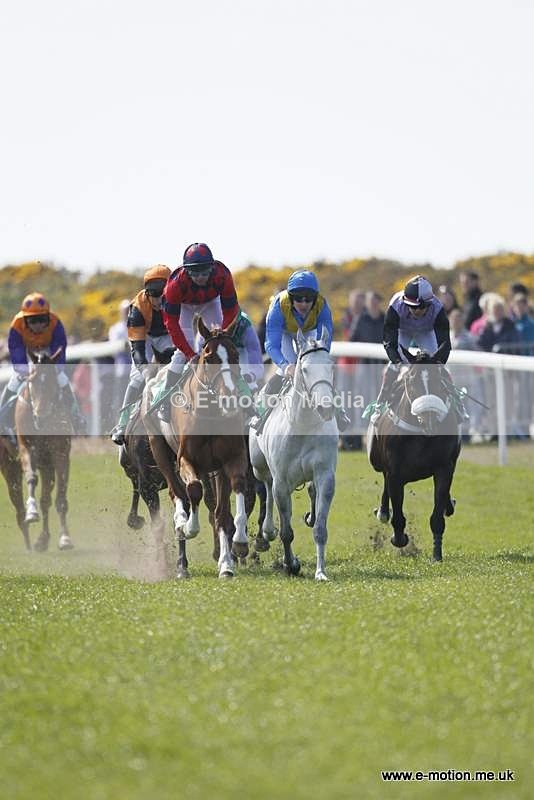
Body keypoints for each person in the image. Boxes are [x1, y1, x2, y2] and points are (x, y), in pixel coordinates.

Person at [251, 270, 349, 431]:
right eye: (298, 299)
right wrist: (285, 366)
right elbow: (271, 345)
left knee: (319, 370)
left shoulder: (322, 306)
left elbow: (325, 341)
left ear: (315, 298)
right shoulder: (278, 306)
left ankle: (339, 411)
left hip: (309, 331)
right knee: (285, 372)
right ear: (290, 298)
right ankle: (259, 413)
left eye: (308, 299)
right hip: (285, 333)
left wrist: (316, 360)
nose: (303, 304)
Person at [153, 243, 240, 421]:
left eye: (204, 272)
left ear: (212, 268)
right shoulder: (175, 284)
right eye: (195, 273)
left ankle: (244, 394)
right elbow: (172, 324)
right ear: (186, 271)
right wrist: (190, 353)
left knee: (221, 347)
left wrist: (222, 333)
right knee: (181, 355)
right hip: (183, 306)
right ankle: (164, 399)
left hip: (211, 302)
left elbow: (231, 310)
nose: (200, 277)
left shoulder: (223, 275)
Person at [370, 275, 454, 423]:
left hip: (426, 332)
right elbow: (389, 341)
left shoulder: (438, 308)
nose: (415, 311)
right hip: (403, 331)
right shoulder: (396, 306)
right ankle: (380, 404)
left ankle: (456, 405)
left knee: (441, 368)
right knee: (394, 367)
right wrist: (398, 362)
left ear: (429, 304)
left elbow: (445, 344)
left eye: (420, 307)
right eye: (412, 306)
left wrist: (438, 363)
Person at [0, 292, 86, 436]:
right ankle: (2, 419)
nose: (38, 325)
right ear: (25, 320)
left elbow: (59, 348)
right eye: (32, 321)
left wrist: (54, 369)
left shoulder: (55, 323)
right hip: (27, 355)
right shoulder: (16, 325)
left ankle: (76, 418)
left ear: (48, 317)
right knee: (13, 384)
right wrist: (24, 371)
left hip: (49, 355)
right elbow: (16, 349)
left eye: (41, 320)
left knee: (63, 379)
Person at [110, 265, 174, 444]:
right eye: (153, 293)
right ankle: (122, 424)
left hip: (171, 334)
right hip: (146, 338)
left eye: (163, 293)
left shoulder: (179, 299)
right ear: (147, 293)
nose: (158, 298)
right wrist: (145, 371)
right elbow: (137, 348)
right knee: (137, 379)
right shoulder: (137, 309)